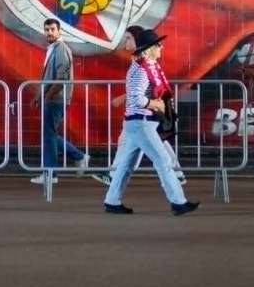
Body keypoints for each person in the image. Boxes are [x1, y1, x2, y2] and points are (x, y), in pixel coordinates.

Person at [103, 28, 199, 216]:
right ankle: (178, 202)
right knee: (163, 160)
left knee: (127, 165)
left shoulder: (145, 67)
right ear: (147, 50)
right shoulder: (141, 70)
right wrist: (156, 103)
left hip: (137, 122)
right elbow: (137, 97)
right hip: (141, 122)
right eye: (157, 45)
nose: (160, 47)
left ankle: (111, 200)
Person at [92, 25, 186, 186]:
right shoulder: (143, 60)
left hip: (143, 111)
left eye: (128, 38)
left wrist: (128, 99)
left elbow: (141, 87)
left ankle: (115, 176)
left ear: (138, 40)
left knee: (142, 142)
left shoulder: (141, 61)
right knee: (146, 141)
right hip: (144, 110)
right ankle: (176, 174)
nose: (126, 42)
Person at [29, 18, 88, 185]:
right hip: (54, 97)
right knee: (50, 135)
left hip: (56, 99)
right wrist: (39, 96)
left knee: (49, 136)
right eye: (46, 29)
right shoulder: (54, 49)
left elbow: (61, 77)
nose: (49, 32)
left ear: (59, 31)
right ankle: (57, 169)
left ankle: (53, 172)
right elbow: (50, 77)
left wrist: (46, 96)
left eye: (52, 29)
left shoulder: (61, 49)